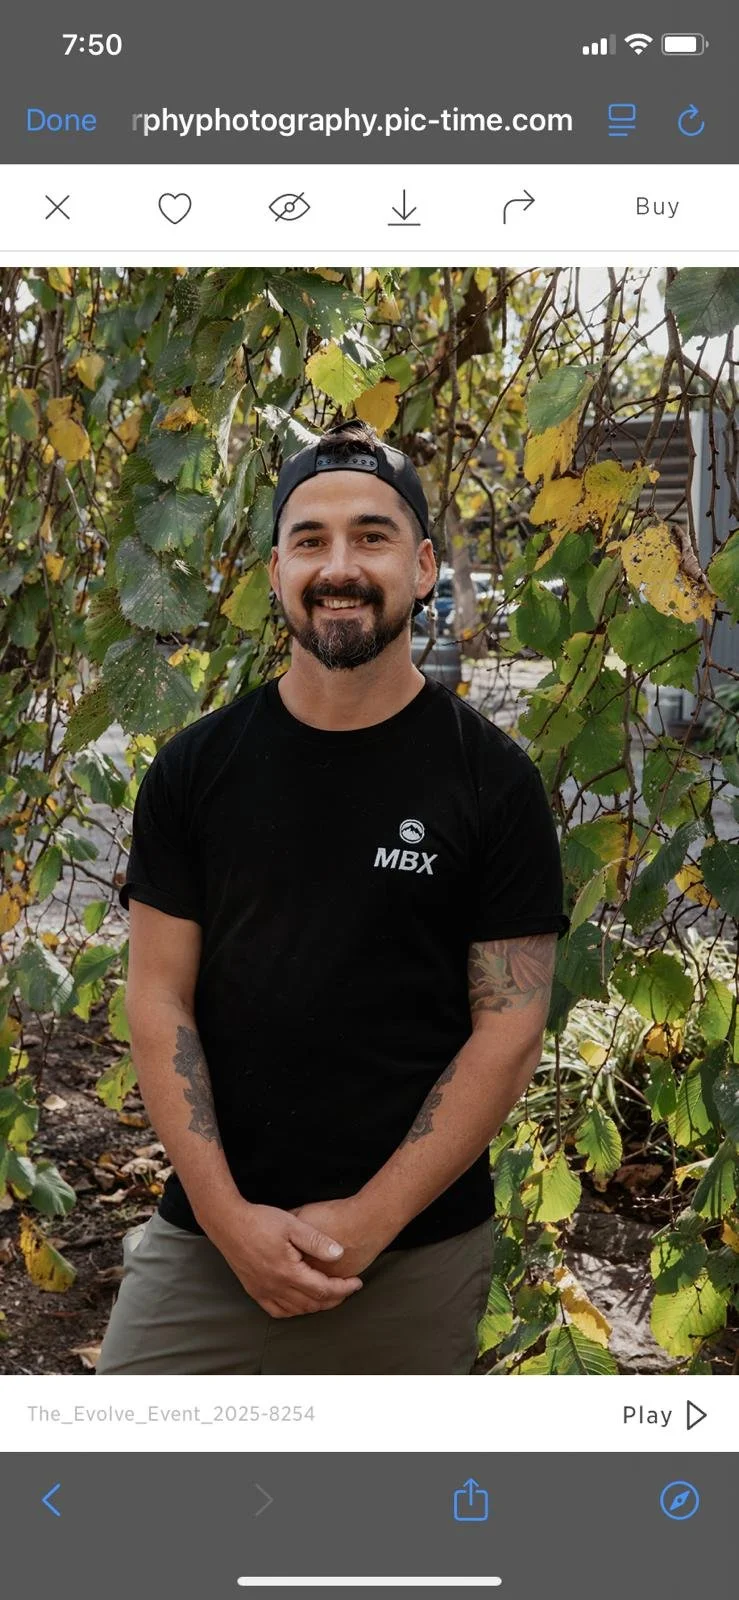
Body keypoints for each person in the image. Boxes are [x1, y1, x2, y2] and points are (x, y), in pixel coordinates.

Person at [97, 417, 569, 1376]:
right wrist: (228, 1220)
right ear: (276, 572)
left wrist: (369, 1220)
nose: (338, 566)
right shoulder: (193, 771)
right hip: (208, 1243)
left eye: (371, 536)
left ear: (423, 567)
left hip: (410, 1255)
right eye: (309, 540)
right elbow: (157, 999)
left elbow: (508, 1030)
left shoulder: (493, 784)